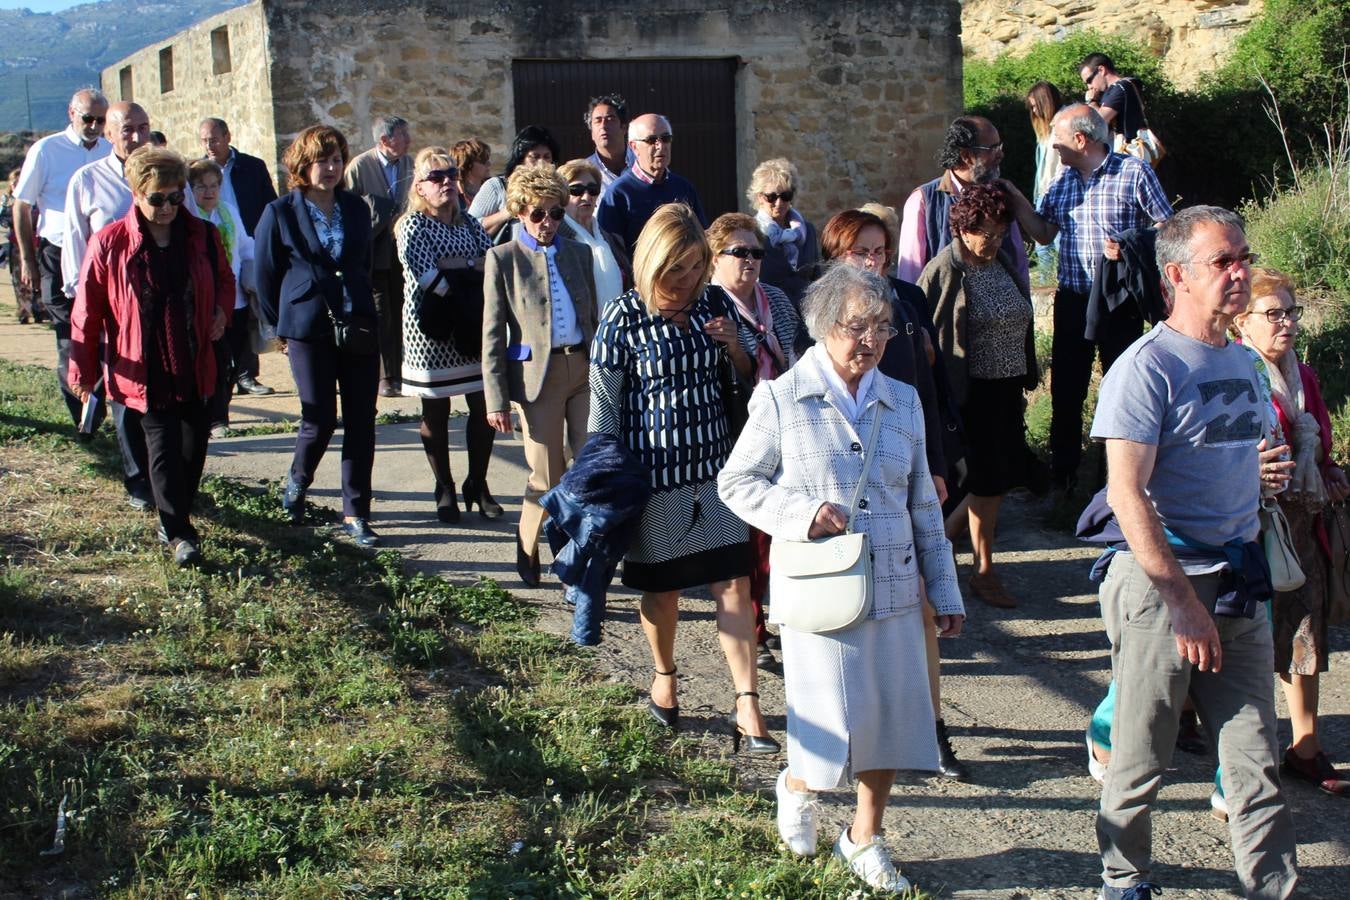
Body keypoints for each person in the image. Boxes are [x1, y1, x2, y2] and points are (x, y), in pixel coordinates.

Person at [719, 263, 963, 895]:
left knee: (890, 721)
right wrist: (799, 516)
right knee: (827, 725)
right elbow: (737, 483)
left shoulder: (903, 400)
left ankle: (863, 838)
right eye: (858, 326)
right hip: (822, 590)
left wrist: (945, 590)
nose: (872, 340)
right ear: (825, 325)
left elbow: (924, 508)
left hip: (895, 589)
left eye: (882, 327)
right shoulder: (781, 397)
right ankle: (798, 783)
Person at [1089, 205, 1298, 899]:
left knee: (1255, 755)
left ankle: (1270, 886)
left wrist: (1261, 476)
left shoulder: (1241, 360)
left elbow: (1232, 452)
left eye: (1243, 256)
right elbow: (1127, 493)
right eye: (1223, 262)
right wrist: (1182, 604)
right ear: (1177, 275)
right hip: (1163, 584)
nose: (1239, 272)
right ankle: (1124, 880)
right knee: (1143, 753)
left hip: (1239, 576)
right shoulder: (1145, 368)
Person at [588, 202, 774, 754]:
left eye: (696, 267)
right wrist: (608, 485)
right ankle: (665, 676)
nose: (688, 280)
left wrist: (734, 349)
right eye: (676, 270)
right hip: (655, 481)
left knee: (734, 586)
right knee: (663, 589)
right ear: (650, 264)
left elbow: (745, 379)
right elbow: (605, 412)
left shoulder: (714, 302)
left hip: (717, 474)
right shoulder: (621, 319)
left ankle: (748, 702)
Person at [822, 209, 970, 781]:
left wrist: (933, 465)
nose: (872, 261)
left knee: (925, 602)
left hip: (905, 473)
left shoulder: (904, 312)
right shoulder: (817, 317)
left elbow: (923, 395)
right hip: (839, 493)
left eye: (880, 251)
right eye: (860, 251)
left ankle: (933, 729)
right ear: (837, 257)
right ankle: (850, 732)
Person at [67, 147, 233, 567]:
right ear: (136, 193)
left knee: (193, 450)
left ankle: (174, 513)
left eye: (175, 197)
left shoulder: (202, 236)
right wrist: (83, 369)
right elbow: (87, 311)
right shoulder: (110, 242)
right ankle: (179, 534)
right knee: (161, 449)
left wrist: (221, 311)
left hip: (195, 360)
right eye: (157, 198)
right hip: (145, 363)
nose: (166, 207)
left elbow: (225, 280)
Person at [1003, 103, 1173, 494]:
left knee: (1123, 387)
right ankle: (1065, 476)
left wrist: (1131, 245)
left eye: (1058, 141)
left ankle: (1124, 478)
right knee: (1067, 389)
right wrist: (1016, 201)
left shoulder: (1133, 172)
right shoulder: (1063, 182)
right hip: (1074, 300)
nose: (1054, 149)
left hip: (1120, 301)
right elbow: (1044, 232)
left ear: (1081, 139)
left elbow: (1168, 229)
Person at [1233, 267, 1350, 797]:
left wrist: (1329, 471)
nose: (1287, 323)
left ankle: (1306, 748)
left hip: (1301, 522)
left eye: (1291, 312)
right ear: (1242, 322)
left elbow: (1320, 442)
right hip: (1246, 525)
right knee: (1236, 635)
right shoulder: (1234, 374)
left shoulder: (1305, 378)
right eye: (1273, 313)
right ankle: (1205, 729)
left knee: (1305, 630)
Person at [254, 125, 381, 548]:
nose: (329, 168)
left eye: (336, 159)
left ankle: (356, 511)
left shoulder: (356, 208)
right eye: (321, 161)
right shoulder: (280, 212)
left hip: (357, 323)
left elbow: (362, 262)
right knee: (319, 417)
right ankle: (298, 480)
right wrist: (282, 327)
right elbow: (266, 274)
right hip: (307, 326)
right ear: (302, 166)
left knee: (362, 420)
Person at [920, 183, 1039, 610]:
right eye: (984, 233)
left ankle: (941, 554)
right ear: (963, 228)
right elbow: (926, 336)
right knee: (986, 482)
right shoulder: (946, 269)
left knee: (995, 483)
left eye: (1000, 231)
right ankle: (978, 570)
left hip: (1005, 389)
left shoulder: (1001, 262)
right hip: (970, 393)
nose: (993, 241)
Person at [483, 165, 598, 585]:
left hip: (581, 369)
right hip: (537, 379)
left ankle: (575, 554)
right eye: (537, 214)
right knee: (545, 475)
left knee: (587, 468)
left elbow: (592, 318)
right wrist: (496, 400)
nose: (547, 222)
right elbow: (493, 334)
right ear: (518, 212)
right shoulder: (503, 259)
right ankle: (528, 542)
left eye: (554, 212)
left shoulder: (578, 252)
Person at [706, 212, 803, 670]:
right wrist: (737, 353)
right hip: (736, 433)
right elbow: (722, 382)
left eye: (757, 253)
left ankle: (775, 616)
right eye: (739, 252)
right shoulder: (708, 306)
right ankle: (755, 629)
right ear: (715, 258)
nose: (750, 261)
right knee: (746, 538)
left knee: (776, 531)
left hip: (785, 428)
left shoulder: (778, 300)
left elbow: (798, 356)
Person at [393, 146, 499, 525]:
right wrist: (469, 271)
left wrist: (461, 264)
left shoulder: (470, 223)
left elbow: (492, 264)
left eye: (451, 175)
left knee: (485, 409)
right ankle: (445, 487)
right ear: (419, 187)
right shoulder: (412, 225)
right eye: (435, 177)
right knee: (435, 413)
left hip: (472, 327)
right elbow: (430, 280)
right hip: (432, 333)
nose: (446, 183)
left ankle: (478, 483)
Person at [61, 102, 160, 509]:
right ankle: (139, 481)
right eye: (126, 130)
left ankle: (167, 476)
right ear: (108, 132)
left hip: (164, 302)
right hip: (115, 310)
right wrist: (85, 306)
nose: (135, 137)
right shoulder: (87, 181)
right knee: (123, 394)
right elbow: (76, 245)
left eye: (142, 127)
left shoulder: (169, 175)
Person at [12, 87, 112, 428]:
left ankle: (96, 406)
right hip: (56, 252)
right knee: (70, 337)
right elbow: (22, 205)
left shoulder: (111, 150)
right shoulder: (46, 150)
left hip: (100, 255)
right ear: (72, 114)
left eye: (101, 119)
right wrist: (27, 259)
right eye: (88, 118)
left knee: (103, 337)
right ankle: (83, 419)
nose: (95, 126)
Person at [897, 115, 1028, 288]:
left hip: (999, 312)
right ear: (966, 155)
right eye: (993, 148)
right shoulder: (923, 200)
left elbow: (1018, 260)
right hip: (945, 312)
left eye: (1000, 146)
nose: (1000, 154)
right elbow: (910, 271)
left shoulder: (1002, 195)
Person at [199, 116, 278, 396]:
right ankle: (221, 382)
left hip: (246, 247)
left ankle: (247, 375)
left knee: (246, 316)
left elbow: (269, 204)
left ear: (228, 136)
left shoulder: (252, 167)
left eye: (214, 139)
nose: (209, 145)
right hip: (212, 256)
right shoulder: (197, 171)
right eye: (204, 140)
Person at [345, 115, 414, 397]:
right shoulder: (360, 167)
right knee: (381, 312)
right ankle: (386, 376)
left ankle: (405, 370)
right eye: (403, 136)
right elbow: (347, 208)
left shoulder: (411, 164)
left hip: (405, 250)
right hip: (375, 253)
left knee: (404, 309)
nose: (409, 141)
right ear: (385, 140)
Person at [187, 158, 256, 439]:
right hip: (204, 303)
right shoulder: (189, 218)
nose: (209, 192)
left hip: (235, 299)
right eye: (201, 186)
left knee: (232, 362)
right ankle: (213, 417)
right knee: (211, 361)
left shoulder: (227, 212)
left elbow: (245, 247)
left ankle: (221, 412)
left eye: (214, 185)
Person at [596, 113, 706, 255]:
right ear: (634, 147)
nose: (660, 146)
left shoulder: (683, 187)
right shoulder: (618, 193)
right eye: (651, 140)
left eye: (666, 138)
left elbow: (702, 236)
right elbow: (612, 252)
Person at [557, 158, 629, 310]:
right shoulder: (556, 240)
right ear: (562, 196)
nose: (586, 196)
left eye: (592, 189)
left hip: (616, 327)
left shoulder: (608, 237)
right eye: (576, 190)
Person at [747, 158, 819, 306]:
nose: (778, 203)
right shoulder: (751, 233)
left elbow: (816, 278)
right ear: (760, 197)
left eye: (785, 196)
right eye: (771, 197)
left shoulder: (807, 231)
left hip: (806, 314)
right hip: (769, 313)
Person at [469, 125, 560, 238]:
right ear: (520, 159)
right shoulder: (497, 187)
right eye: (534, 157)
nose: (541, 163)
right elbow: (469, 227)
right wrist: (508, 211)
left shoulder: (558, 190)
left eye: (547, 157)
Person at [1024, 80, 1064, 280]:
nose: (1033, 110)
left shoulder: (1060, 126)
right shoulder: (1044, 131)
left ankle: (1051, 282)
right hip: (1044, 192)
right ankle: (1047, 281)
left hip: (1055, 191)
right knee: (1043, 246)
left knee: (1051, 244)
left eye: (1035, 105)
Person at [1081, 53, 1146, 143]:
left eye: (1089, 80)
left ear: (1101, 70)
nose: (1089, 87)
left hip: (1131, 148)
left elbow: (1099, 122)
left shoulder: (1121, 87)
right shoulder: (1116, 89)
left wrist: (1091, 101)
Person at [584, 93, 635, 196]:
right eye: (598, 121)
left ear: (624, 128)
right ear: (592, 132)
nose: (603, 126)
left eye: (610, 119)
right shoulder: (584, 172)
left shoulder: (643, 163)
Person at [451, 138, 491, 206]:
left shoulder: (493, 191)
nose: (489, 164)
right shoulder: (454, 196)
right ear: (467, 165)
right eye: (483, 161)